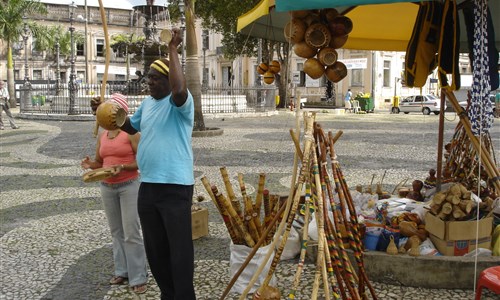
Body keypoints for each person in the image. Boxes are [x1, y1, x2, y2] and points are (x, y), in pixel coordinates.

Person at [91, 28, 196, 300]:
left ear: (167, 79)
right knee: (156, 249)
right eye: (147, 77)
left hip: (175, 187)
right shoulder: (148, 105)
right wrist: (105, 114)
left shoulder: (180, 103)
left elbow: (180, 88)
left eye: (154, 78)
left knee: (180, 251)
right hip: (148, 186)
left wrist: (173, 49)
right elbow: (129, 125)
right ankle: (167, 295)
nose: (148, 82)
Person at [81, 93, 148, 294]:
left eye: (111, 111)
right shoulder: (103, 136)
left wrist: (123, 167)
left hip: (129, 185)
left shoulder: (131, 133)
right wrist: (90, 165)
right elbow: (100, 163)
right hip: (107, 187)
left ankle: (138, 276)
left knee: (131, 232)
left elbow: (142, 161)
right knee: (116, 232)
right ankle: (122, 271)